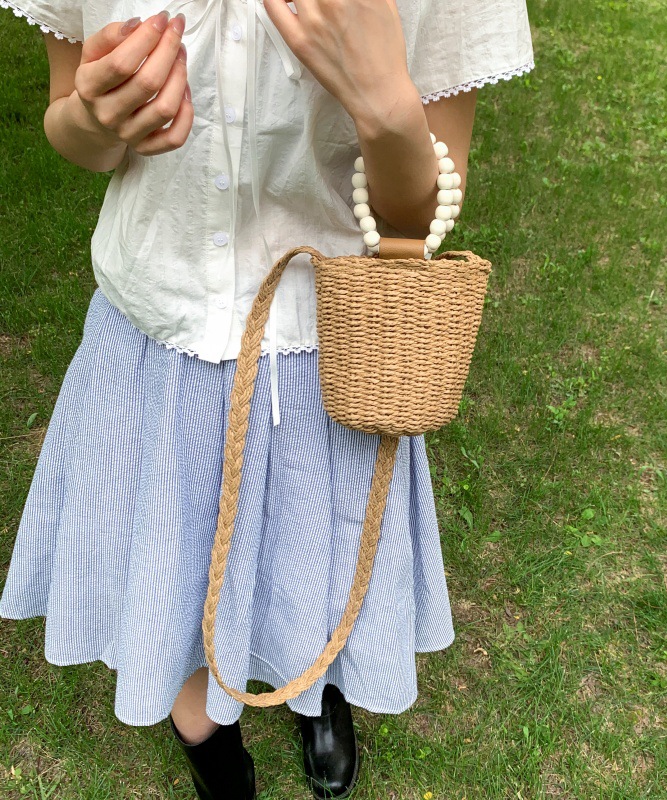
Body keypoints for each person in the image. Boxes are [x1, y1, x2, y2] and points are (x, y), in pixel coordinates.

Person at [0, 0, 534, 797]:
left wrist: (387, 108)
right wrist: (95, 115)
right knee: (175, 568)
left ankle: (313, 685)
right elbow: (75, 132)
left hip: (329, 355)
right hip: (152, 336)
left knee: (313, 565)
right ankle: (206, 729)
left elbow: (417, 226)